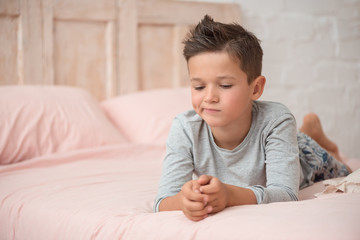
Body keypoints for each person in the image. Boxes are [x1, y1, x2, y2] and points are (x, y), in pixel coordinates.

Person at [154, 15, 350, 221]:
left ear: (255, 88)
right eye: (199, 87)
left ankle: (318, 142)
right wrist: (184, 200)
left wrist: (230, 195)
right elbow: (163, 201)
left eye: (225, 85)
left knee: (345, 171)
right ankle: (307, 132)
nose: (209, 97)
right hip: (281, 144)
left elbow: (286, 193)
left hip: (306, 160)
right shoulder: (185, 128)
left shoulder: (276, 120)